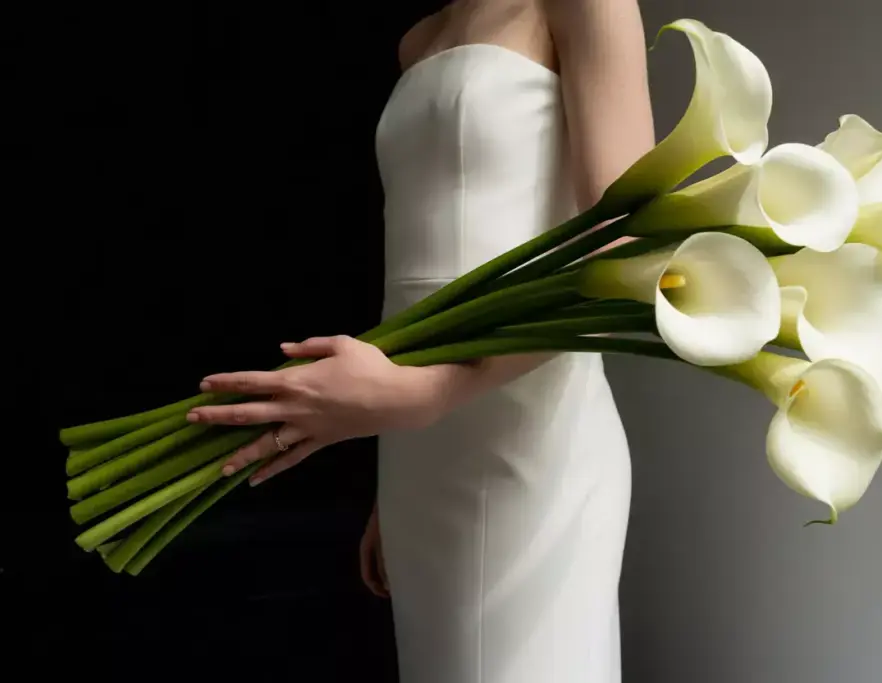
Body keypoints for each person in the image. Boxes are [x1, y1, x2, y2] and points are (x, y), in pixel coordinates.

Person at [186, 0, 655, 680]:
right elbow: (422, 261)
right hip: (420, 452)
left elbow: (627, 255)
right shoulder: (421, 38)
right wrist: (394, 464)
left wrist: (424, 394)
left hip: (527, 439)